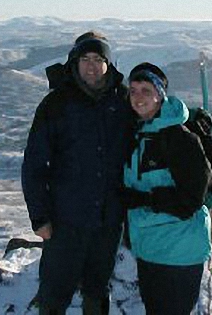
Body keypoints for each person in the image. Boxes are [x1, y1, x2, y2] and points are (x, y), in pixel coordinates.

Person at [21, 31, 133, 315]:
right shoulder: (56, 104)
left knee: (97, 290)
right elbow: (34, 165)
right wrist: (40, 217)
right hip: (65, 221)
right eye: (85, 58)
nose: (92, 65)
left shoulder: (123, 100)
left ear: (109, 63)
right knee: (55, 292)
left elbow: (148, 131)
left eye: (98, 59)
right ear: (75, 62)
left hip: (108, 221)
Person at [120, 62, 212, 315]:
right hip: (150, 247)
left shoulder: (179, 139)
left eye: (146, 90)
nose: (138, 97)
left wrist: (143, 199)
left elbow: (191, 199)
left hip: (178, 252)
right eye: (134, 90)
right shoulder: (139, 134)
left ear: (160, 96)